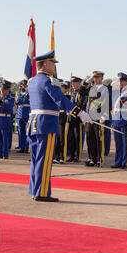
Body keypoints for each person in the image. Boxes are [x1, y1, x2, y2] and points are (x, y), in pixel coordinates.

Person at [27, 50, 92, 202]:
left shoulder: (33, 81)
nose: (54, 67)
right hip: (47, 123)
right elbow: (60, 99)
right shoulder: (49, 81)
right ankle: (42, 192)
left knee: (37, 158)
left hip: (34, 123)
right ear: (44, 65)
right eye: (52, 63)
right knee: (45, 159)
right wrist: (80, 112)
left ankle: (35, 189)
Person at [85, 71, 110, 167]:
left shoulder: (104, 89)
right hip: (90, 117)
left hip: (99, 117)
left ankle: (99, 159)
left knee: (98, 138)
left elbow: (106, 102)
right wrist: (88, 80)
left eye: (97, 77)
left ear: (102, 78)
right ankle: (92, 158)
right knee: (90, 139)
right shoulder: (91, 88)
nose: (95, 79)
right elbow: (82, 91)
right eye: (94, 78)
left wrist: (104, 116)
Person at [111, 72, 127, 169]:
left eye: (122, 81)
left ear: (126, 82)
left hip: (124, 119)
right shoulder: (115, 92)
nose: (120, 83)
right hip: (116, 119)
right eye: (119, 81)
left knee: (125, 143)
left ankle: (124, 162)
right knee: (118, 143)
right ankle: (118, 161)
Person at [67, 76, 88, 162]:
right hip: (72, 118)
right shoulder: (73, 93)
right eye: (72, 83)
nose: (73, 84)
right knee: (71, 138)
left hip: (78, 118)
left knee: (77, 138)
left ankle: (77, 156)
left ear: (79, 83)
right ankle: (72, 155)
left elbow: (82, 104)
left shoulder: (81, 93)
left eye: (75, 83)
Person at [0, 81, 14, 159]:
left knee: (5, 139)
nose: (2, 92)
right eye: (1, 90)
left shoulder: (10, 98)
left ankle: (5, 154)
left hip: (5, 120)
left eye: (4, 90)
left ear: (7, 90)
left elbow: (8, 107)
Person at [54, 80, 70, 164]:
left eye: (62, 87)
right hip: (57, 117)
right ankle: (56, 156)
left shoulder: (67, 97)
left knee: (62, 138)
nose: (61, 89)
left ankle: (62, 157)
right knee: (57, 138)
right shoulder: (57, 96)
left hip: (63, 118)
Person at [15, 79, 30, 154]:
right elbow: (17, 103)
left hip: (27, 114)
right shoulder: (19, 93)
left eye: (25, 85)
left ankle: (26, 147)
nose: (24, 87)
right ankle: (21, 147)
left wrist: (27, 94)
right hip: (19, 114)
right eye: (23, 85)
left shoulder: (30, 93)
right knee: (20, 132)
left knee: (27, 132)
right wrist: (17, 100)